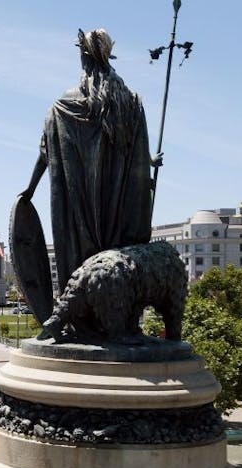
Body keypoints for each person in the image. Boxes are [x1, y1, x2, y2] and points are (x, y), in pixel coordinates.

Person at [18, 28, 155, 297]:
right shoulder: (130, 102)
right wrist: (149, 169)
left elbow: (47, 151)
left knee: (81, 264)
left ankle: (78, 311)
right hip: (118, 214)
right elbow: (138, 158)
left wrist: (30, 188)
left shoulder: (65, 105)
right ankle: (118, 311)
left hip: (79, 212)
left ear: (84, 56)